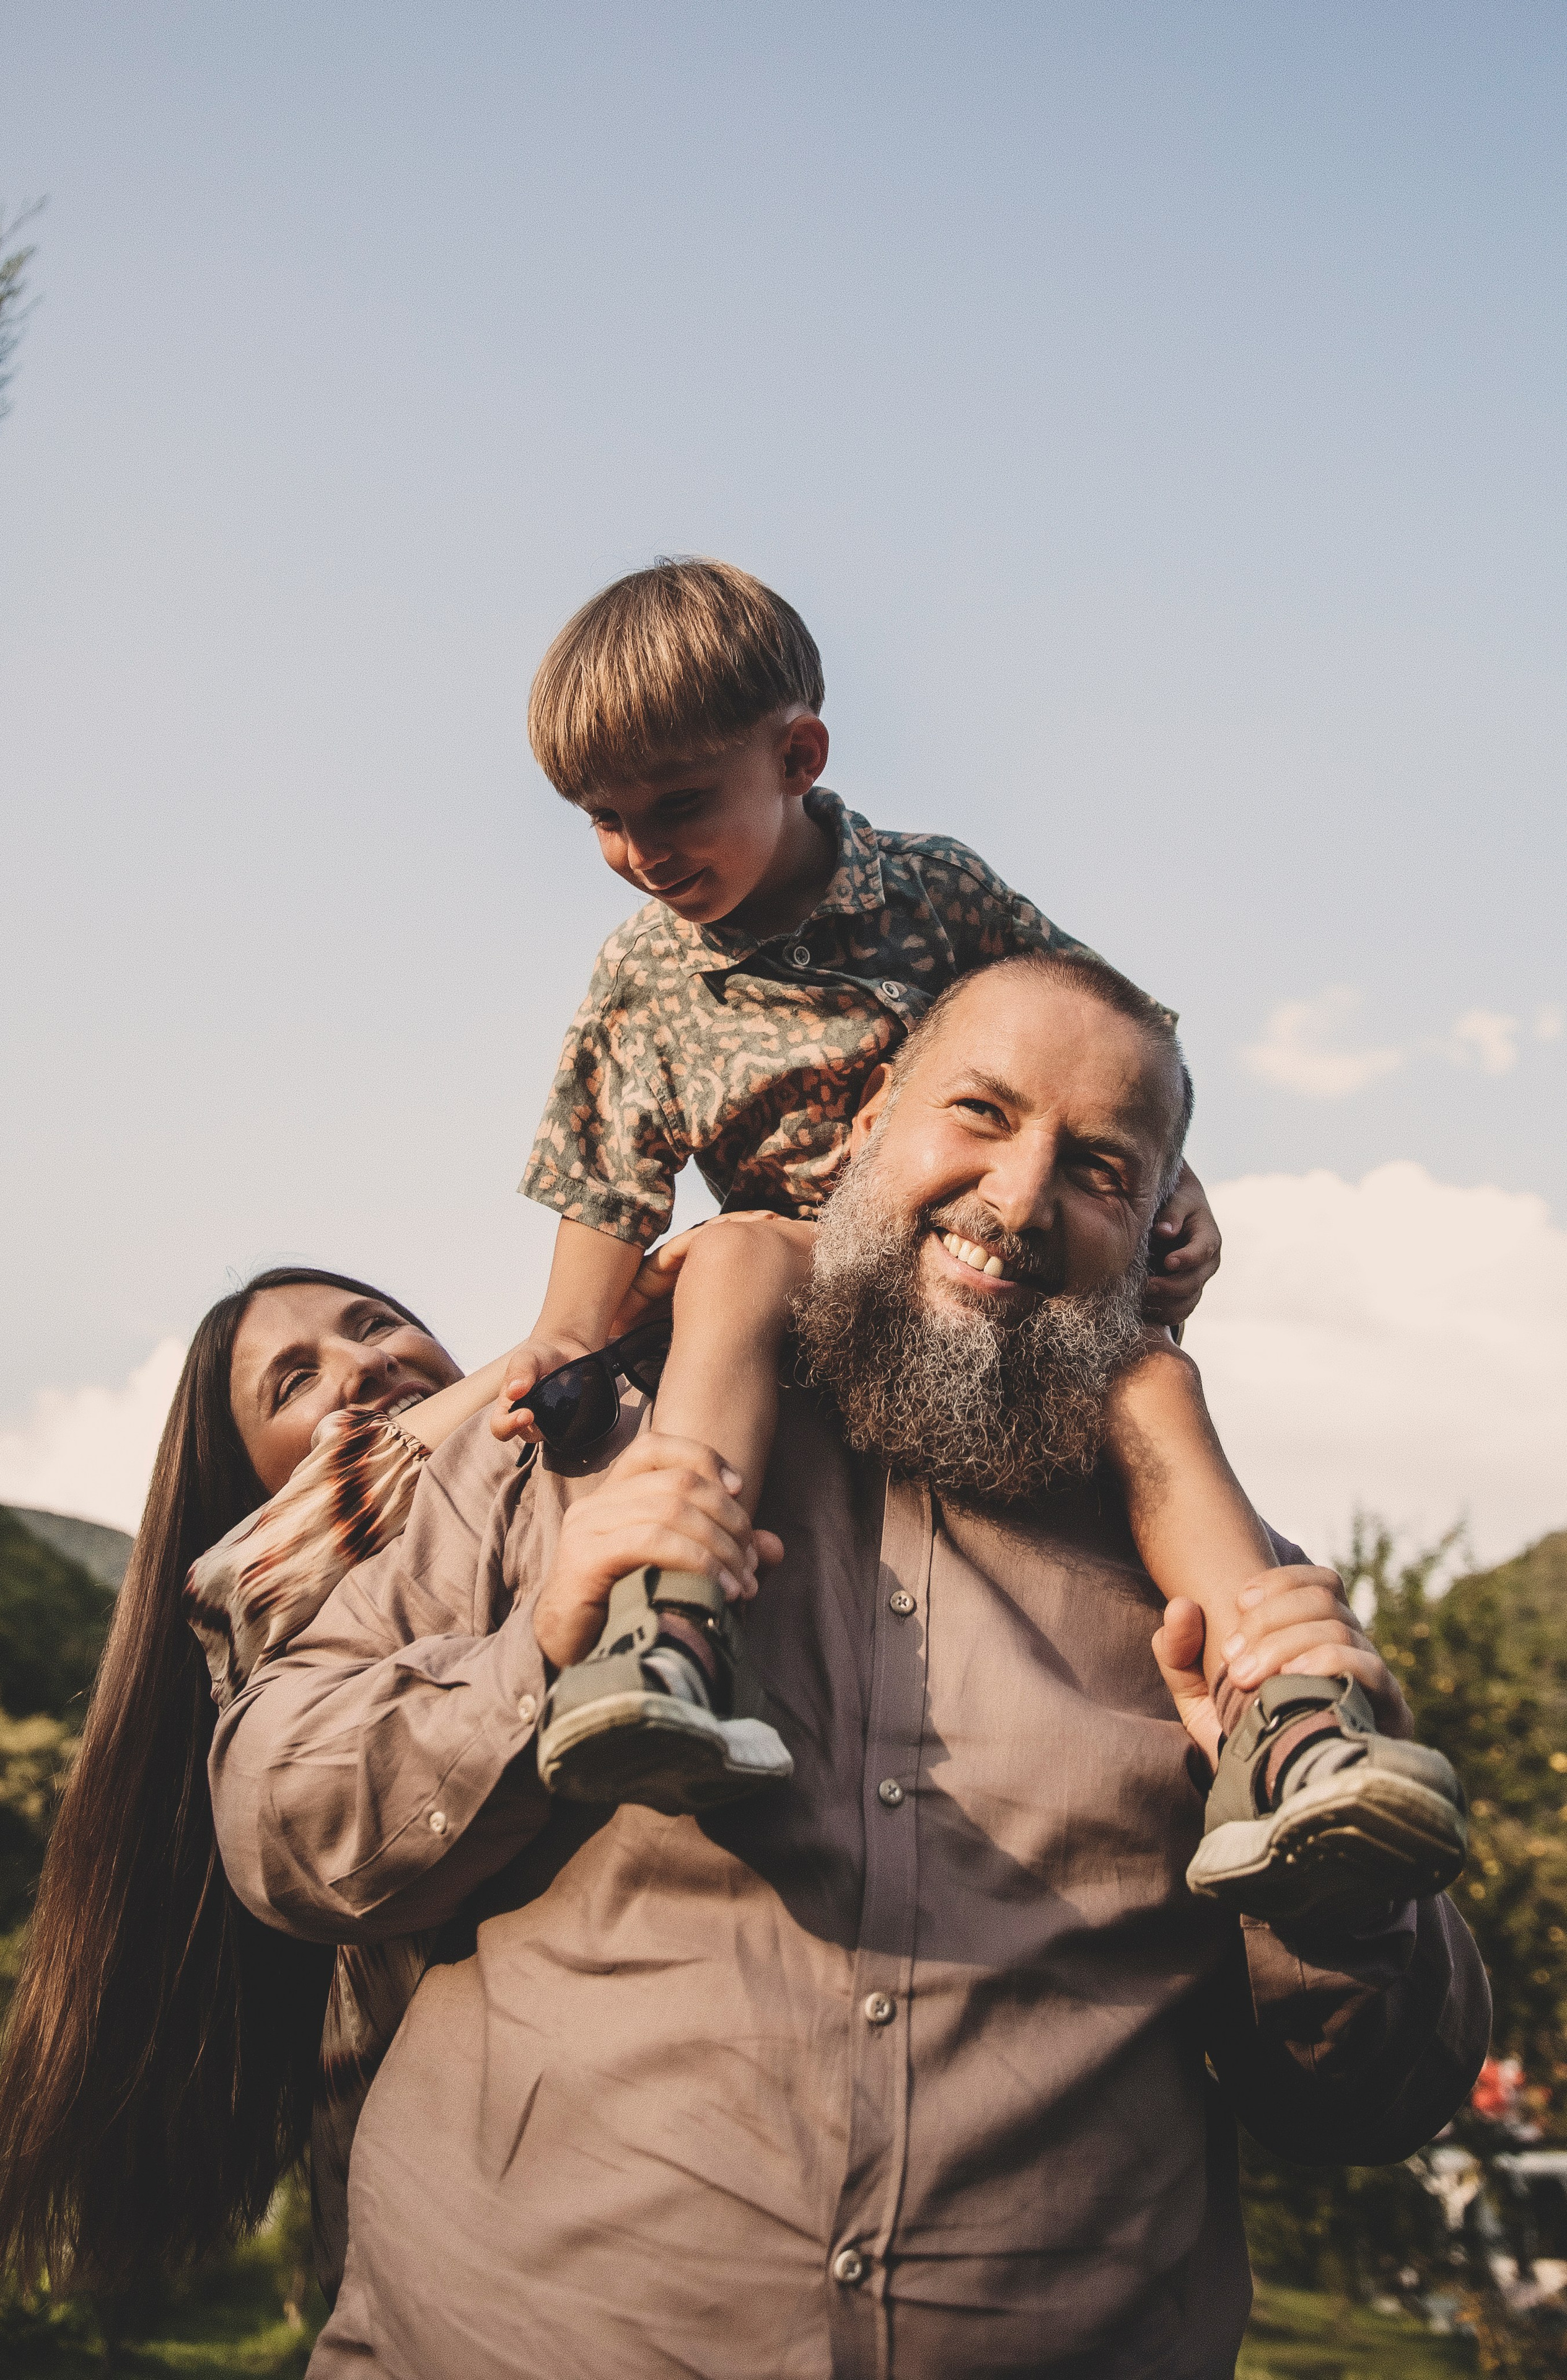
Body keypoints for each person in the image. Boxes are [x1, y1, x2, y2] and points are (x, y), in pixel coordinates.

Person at [210, 953, 1486, 2380]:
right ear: (871, 1115)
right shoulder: (561, 1454)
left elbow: (1375, 2104)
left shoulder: (1235, 1592)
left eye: (1100, 1167)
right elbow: (280, 1826)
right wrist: (529, 1664)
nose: (1016, 1198)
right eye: (980, 1112)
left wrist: (1330, 1893)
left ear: (1157, 1227)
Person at [486, 558, 1460, 1923]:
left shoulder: (932, 894)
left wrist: (1171, 1181)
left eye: (678, 805)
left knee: (1151, 1385)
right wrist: (565, 1340)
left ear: (798, 755)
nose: (641, 852)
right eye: (603, 820)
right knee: (743, 1257)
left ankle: (1286, 1722)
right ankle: (670, 1625)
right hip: (783, 1275)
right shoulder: (639, 971)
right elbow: (606, 1169)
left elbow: (1112, 1040)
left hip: (970, 1295)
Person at [0, 1267, 511, 2299]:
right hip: (459, 2230)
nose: (364, 1364)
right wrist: (564, 1340)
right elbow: (246, 1570)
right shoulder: (265, 1601)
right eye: (295, 1381)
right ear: (249, 1486)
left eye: (377, 1325)